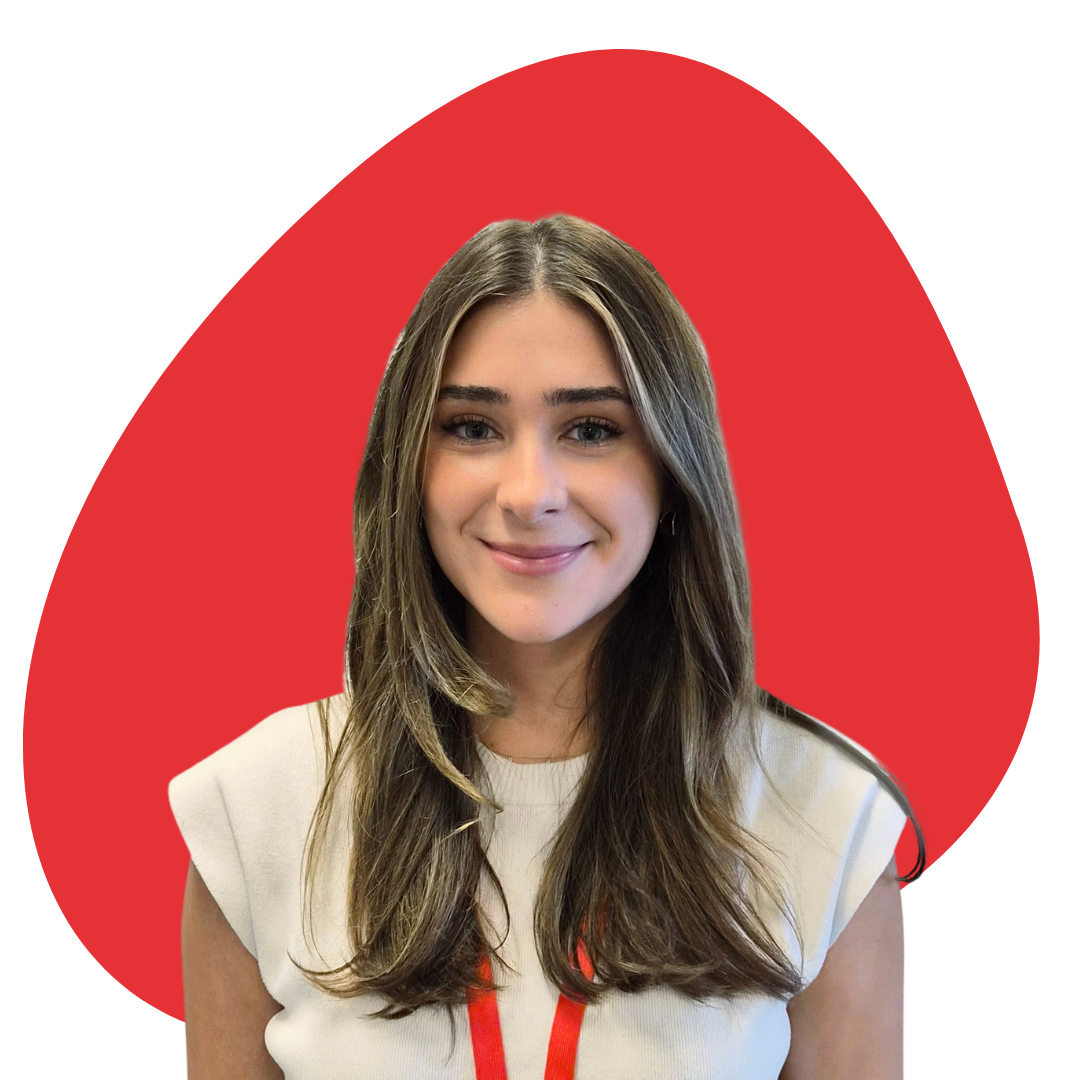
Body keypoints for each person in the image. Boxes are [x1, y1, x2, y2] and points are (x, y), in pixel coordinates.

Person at [170, 214, 924, 1080]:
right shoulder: (256, 810)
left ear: (673, 472)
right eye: (472, 428)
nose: (530, 493)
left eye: (592, 429)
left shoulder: (824, 813)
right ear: (409, 472)